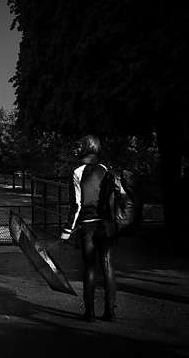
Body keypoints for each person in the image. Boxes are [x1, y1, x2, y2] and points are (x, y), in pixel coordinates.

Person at [60, 134, 118, 323]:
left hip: (88, 226)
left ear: (85, 148)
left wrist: (67, 230)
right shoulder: (105, 170)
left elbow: (76, 206)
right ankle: (110, 312)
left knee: (89, 268)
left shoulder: (77, 172)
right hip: (107, 225)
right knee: (108, 266)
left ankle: (90, 312)